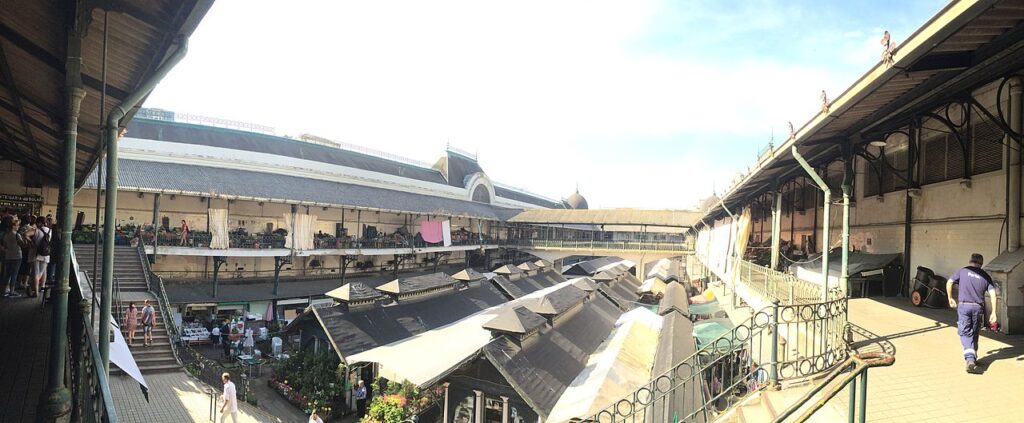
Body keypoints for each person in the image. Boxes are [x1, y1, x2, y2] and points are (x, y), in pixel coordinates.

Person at [947, 253, 999, 374]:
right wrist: (994, 312)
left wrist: (950, 297)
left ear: (970, 260)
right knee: (974, 332)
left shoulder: (963, 271)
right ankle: (974, 355)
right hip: (977, 307)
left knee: (965, 332)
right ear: (981, 263)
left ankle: (970, 359)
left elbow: (949, 282)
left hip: (964, 306)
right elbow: (993, 294)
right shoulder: (985, 276)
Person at [2, 219, 25, 297]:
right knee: (14, 274)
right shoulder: (16, 235)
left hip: (8, 256)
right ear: (13, 226)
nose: (18, 226)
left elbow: (4, 245)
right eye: (17, 225)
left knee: (7, 274)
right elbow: (22, 244)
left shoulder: (6, 235)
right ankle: (12, 291)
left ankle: (5, 290)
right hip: (17, 256)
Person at [30, 216, 51, 298]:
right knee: (41, 273)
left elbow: (25, 234)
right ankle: (41, 287)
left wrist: (31, 242)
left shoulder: (36, 230)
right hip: (46, 255)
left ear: (39, 223)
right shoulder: (50, 231)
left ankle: (35, 292)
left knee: (36, 273)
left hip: (36, 254)